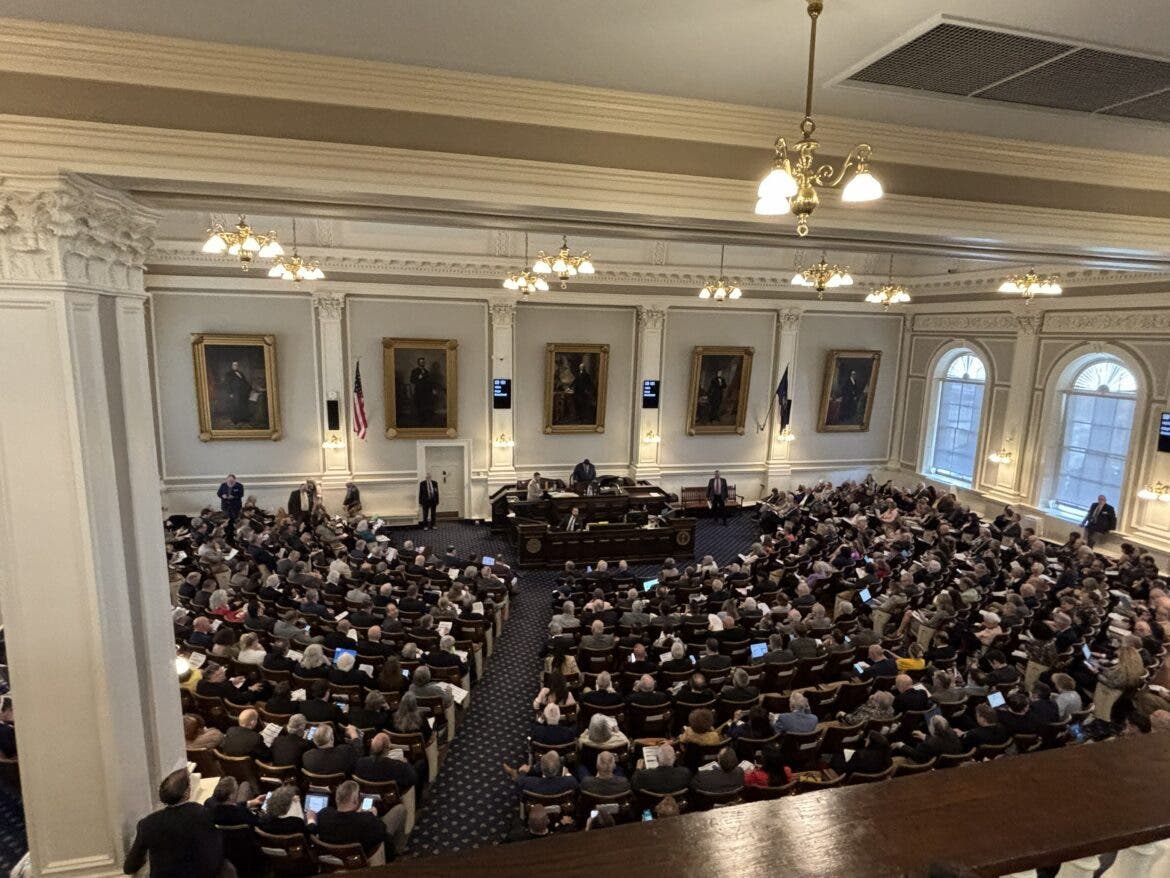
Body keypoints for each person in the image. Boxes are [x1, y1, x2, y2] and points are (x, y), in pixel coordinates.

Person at [122, 769, 225, 878]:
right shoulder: (201, 813)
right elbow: (215, 855)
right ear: (186, 793)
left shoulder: (147, 824)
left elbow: (129, 867)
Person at [312, 779, 392, 864]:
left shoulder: (323, 815)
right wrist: (374, 817)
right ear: (356, 799)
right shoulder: (367, 821)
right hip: (361, 863)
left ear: (336, 798)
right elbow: (382, 831)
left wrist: (359, 814)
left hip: (330, 864)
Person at [223, 361, 253, 426]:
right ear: (231, 366)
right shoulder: (228, 374)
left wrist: (250, 387)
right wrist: (230, 393)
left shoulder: (240, 373)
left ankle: (243, 418)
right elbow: (227, 384)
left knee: (243, 404)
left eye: (236, 365)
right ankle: (235, 420)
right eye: (234, 365)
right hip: (235, 392)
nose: (236, 366)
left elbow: (244, 381)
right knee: (235, 405)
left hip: (242, 391)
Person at [409, 356, 435, 426]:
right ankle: (420, 419)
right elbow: (412, 380)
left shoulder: (426, 371)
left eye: (423, 362)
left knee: (427, 402)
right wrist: (418, 377)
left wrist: (432, 389)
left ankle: (425, 418)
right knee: (419, 404)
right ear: (418, 363)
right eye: (421, 362)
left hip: (426, 391)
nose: (422, 363)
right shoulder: (414, 371)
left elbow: (429, 382)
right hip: (418, 391)